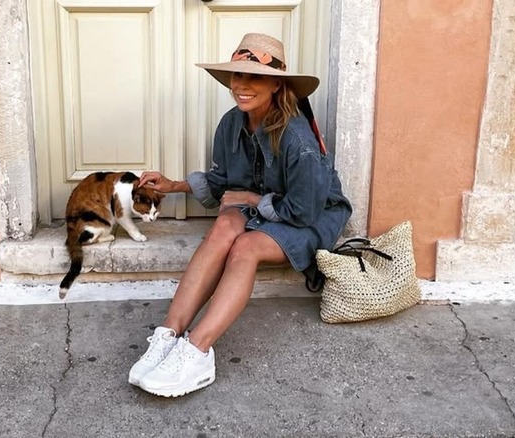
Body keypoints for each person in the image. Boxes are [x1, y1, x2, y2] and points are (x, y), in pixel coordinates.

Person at [128, 33, 352, 397]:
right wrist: (174, 186)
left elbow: (305, 209)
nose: (242, 86)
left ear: (276, 85)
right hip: (271, 206)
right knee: (227, 222)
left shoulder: (298, 140)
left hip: (311, 216)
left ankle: (197, 351)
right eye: (237, 76)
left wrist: (251, 197)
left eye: (255, 77)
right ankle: (169, 336)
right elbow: (221, 182)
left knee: (245, 247)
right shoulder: (232, 123)